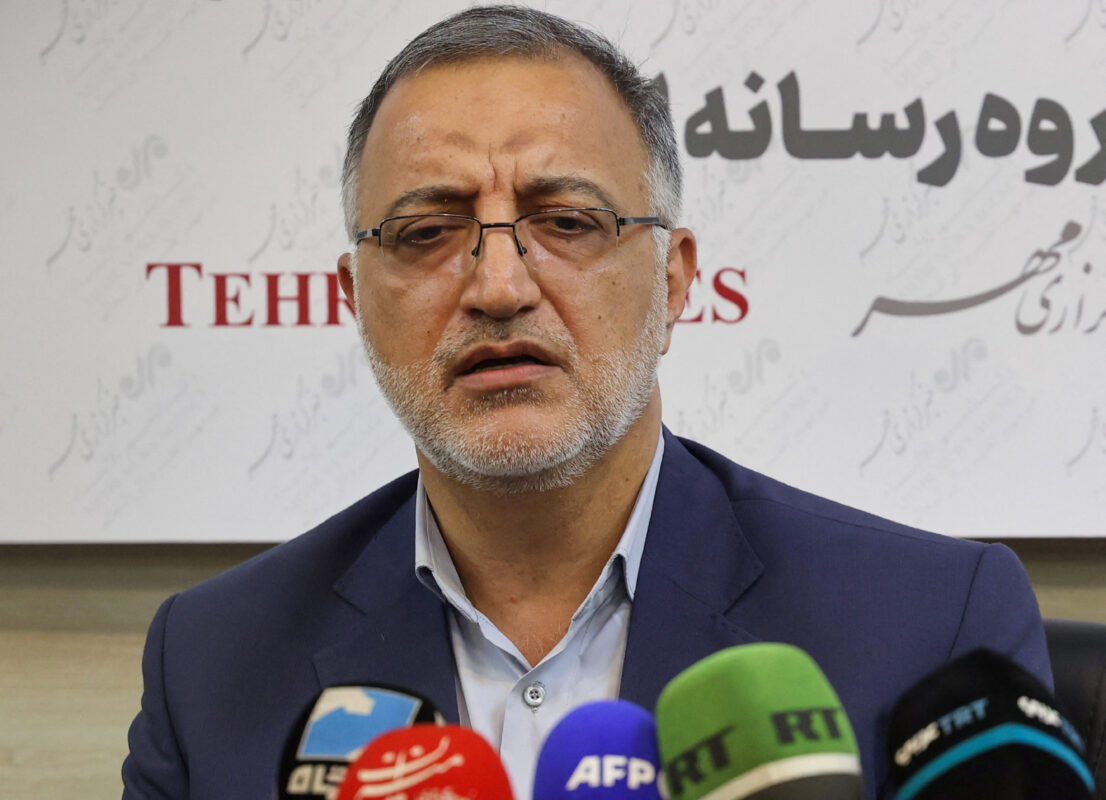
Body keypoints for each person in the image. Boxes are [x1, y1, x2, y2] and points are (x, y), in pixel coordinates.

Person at [122, 6, 1051, 799]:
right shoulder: (210, 666)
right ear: (354, 299)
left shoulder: (929, 624)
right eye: (427, 231)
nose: (498, 287)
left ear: (674, 280)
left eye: (567, 222)